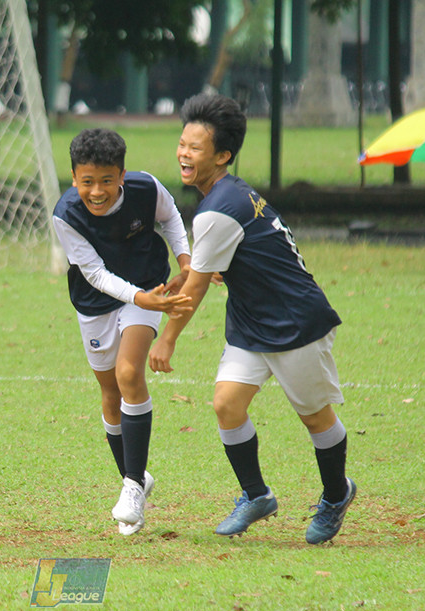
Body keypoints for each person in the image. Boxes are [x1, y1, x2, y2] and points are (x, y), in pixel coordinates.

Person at [149, 93, 355, 545]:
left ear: (222, 156)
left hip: (294, 322)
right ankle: (257, 495)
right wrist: (185, 278)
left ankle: (337, 494)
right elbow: (213, 266)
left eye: (195, 148)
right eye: (182, 144)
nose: (184, 154)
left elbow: (198, 287)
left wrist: (167, 338)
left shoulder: (219, 209)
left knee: (316, 418)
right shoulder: (227, 196)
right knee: (227, 404)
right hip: (251, 321)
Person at [52, 128, 193, 536]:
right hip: (96, 300)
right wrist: (138, 298)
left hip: (148, 286)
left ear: (122, 175)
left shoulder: (146, 188)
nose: (97, 192)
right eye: (87, 182)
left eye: (107, 181)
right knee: (110, 394)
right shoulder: (65, 215)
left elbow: (170, 217)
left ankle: (131, 488)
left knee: (129, 374)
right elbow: (95, 274)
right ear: (74, 178)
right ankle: (136, 478)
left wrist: (185, 261)